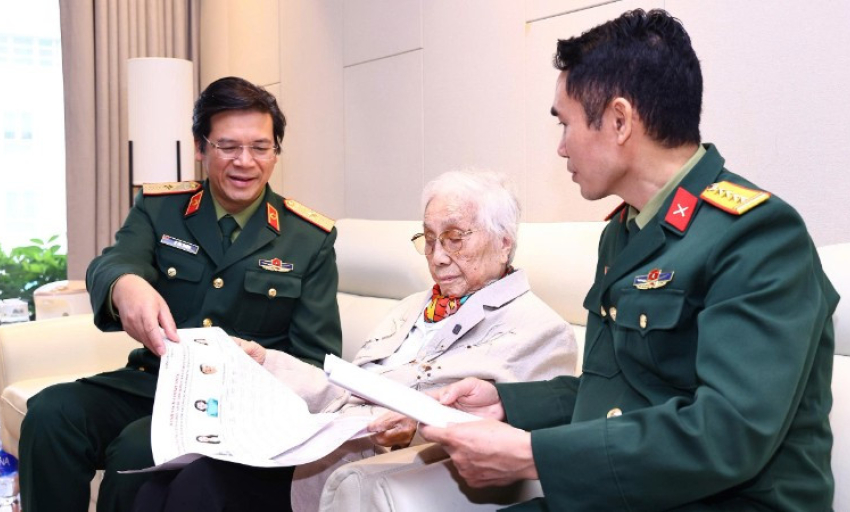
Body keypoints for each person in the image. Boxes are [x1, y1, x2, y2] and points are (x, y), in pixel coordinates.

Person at [419, 9, 840, 512]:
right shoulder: (624, 233)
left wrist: (534, 456)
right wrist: (507, 403)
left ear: (619, 121)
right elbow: (616, 391)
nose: (561, 148)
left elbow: (728, 434)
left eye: (566, 124)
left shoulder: (758, 235)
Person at [132, 170, 578, 512]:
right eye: (429, 239)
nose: (439, 257)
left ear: (504, 242)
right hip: (312, 443)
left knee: (202, 487)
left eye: (456, 238)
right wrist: (264, 360)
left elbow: (509, 441)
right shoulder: (412, 306)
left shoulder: (541, 331)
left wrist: (413, 430)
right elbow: (345, 389)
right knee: (155, 487)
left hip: (360, 468)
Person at [18, 76, 342, 512]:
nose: (245, 162)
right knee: (50, 413)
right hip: (154, 380)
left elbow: (317, 363)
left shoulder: (308, 237)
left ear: (275, 151)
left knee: (137, 450)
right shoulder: (160, 207)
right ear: (200, 147)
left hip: (240, 404)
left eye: (260, 147)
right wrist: (124, 284)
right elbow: (114, 262)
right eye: (228, 146)